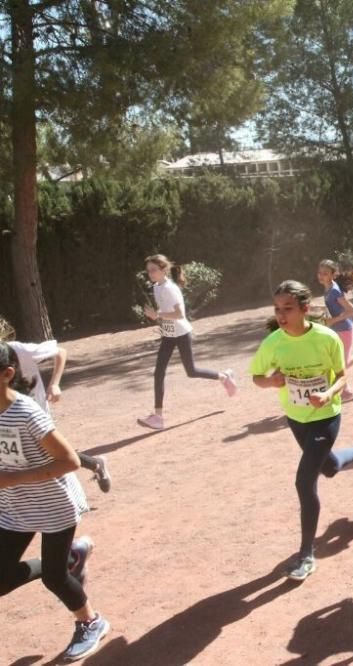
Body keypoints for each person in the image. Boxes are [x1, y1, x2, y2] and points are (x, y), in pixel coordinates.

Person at [250, 280, 353, 581]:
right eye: (278, 309)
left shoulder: (326, 338)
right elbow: (257, 377)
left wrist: (327, 395)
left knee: (304, 480)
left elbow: (340, 376)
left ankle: (306, 554)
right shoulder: (273, 342)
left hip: (326, 415)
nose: (282, 315)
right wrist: (271, 382)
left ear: (305, 309)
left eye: (288, 309)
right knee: (330, 467)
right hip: (296, 418)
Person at [0, 342, 110, 661]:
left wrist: (14, 478)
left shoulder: (26, 413)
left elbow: (71, 461)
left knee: (54, 577)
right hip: (13, 507)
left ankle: (91, 622)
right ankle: (71, 556)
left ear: (7, 374)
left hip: (53, 505)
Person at [2, 333, 112, 492]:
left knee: (47, 454)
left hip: (33, 411)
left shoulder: (19, 349)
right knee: (33, 454)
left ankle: (85, 475)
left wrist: (55, 384)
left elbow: (60, 352)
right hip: (6, 413)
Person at [137, 254, 237, 430]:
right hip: (169, 334)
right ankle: (158, 417)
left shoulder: (169, 288)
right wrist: (158, 318)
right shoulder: (157, 287)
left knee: (191, 371)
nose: (150, 273)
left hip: (182, 333)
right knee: (159, 372)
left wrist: (157, 315)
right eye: (148, 271)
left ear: (163, 269)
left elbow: (179, 315)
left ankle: (223, 376)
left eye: (153, 270)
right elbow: (166, 311)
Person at [316, 260, 353, 400]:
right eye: (319, 273)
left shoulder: (334, 291)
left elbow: (352, 311)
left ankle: (346, 391)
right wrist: (317, 308)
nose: (321, 276)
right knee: (339, 362)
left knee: (340, 364)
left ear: (333, 274)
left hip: (344, 330)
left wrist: (332, 320)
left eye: (325, 273)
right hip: (338, 330)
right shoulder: (328, 288)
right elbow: (333, 307)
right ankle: (344, 390)